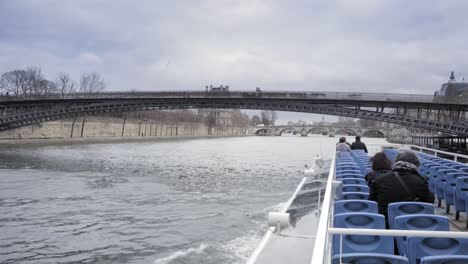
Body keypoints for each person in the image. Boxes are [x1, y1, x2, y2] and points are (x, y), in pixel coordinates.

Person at [369, 150, 435, 227]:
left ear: (396, 162)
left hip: (385, 226)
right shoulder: (420, 181)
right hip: (410, 227)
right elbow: (430, 201)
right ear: (416, 165)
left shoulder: (379, 180)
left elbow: (372, 203)